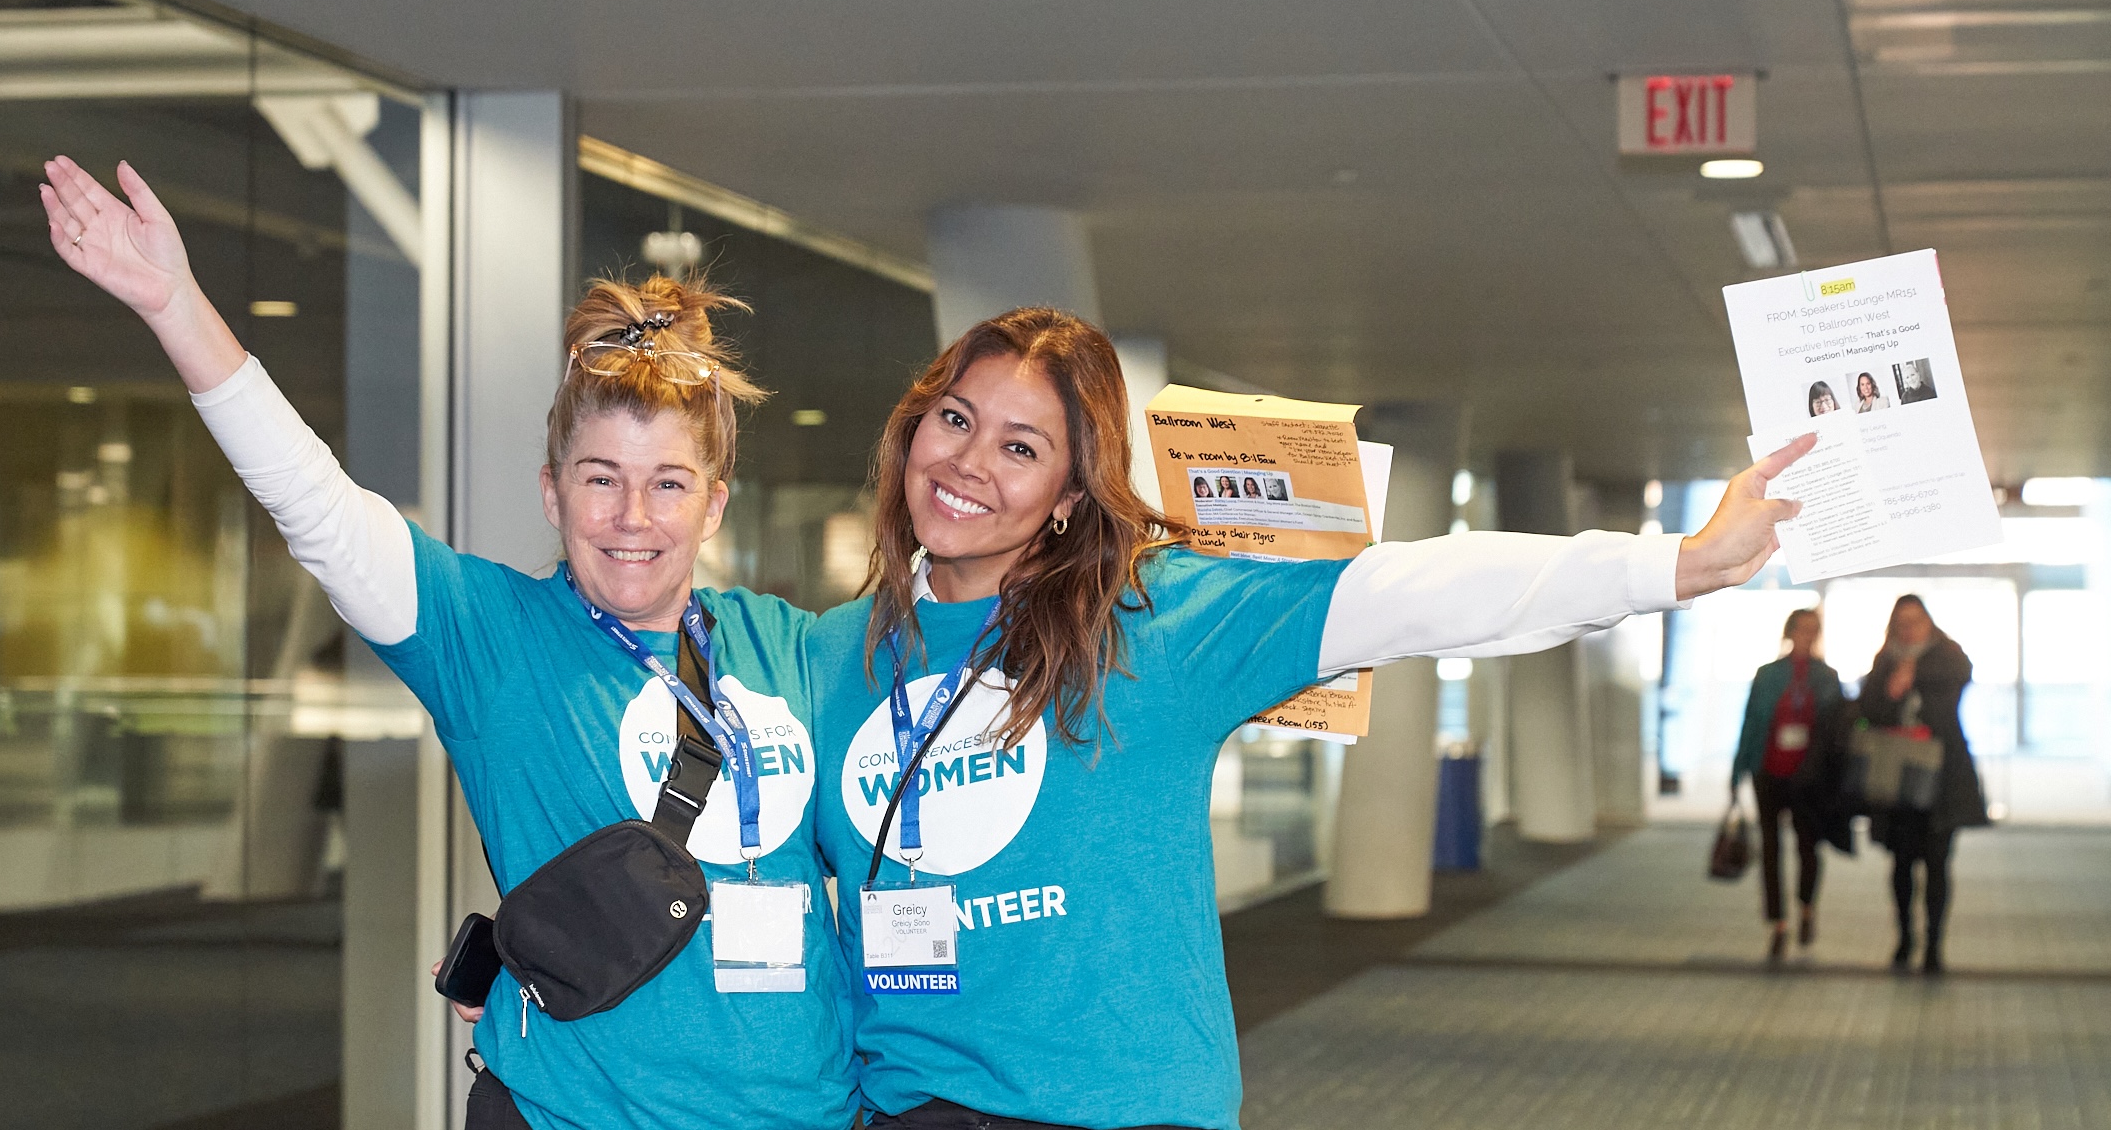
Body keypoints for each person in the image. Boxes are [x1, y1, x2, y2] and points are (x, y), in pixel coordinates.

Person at [806, 307, 1809, 1130]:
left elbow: (1414, 591)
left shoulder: (1154, 628)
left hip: (1119, 1109)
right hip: (909, 1109)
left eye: (1020, 446)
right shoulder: (825, 657)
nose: (969, 461)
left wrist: (1674, 563)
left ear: (1070, 494)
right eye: (954, 419)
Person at [39, 159, 852, 1130]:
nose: (633, 515)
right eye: (600, 479)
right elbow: (320, 511)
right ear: (552, 493)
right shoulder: (491, 638)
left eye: (669, 483)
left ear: (715, 502)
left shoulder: (792, 649)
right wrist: (177, 305)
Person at [1858, 594, 1988, 975]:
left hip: (1941, 779)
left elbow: (1960, 679)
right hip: (1897, 778)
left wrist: (1916, 675)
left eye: (1916, 620)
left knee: (1936, 863)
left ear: (1929, 621)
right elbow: (1868, 710)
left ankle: (1933, 943)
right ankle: (1904, 937)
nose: (1910, 628)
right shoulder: (1885, 660)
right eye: (1903, 621)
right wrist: (1891, 691)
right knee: (1900, 865)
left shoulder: (1947, 655)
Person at [1730, 607, 1849, 960]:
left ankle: (1807, 907)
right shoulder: (1767, 675)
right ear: (1790, 631)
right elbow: (1751, 722)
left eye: (1814, 629)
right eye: (1803, 629)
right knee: (1771, 847)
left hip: (1808, 776)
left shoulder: (1827, 677)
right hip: (1768, 770)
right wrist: (1737, 770)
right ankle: (1778, 921)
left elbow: (1837, 730)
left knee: (1808, 844)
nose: (1808, 635)